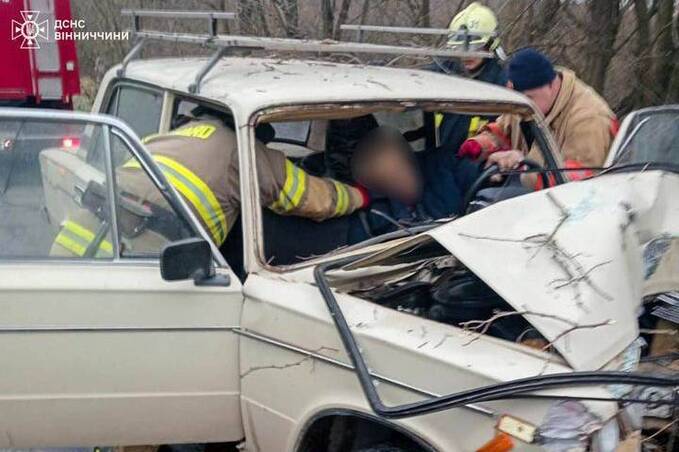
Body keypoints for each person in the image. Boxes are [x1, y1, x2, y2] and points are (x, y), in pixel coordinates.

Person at [51, 111, 369, 257]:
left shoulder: (167, 136)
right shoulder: (242, 152)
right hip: (145, 262)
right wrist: (360, 196)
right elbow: (315, 199)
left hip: (71, 247)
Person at [459, 48, 619, 187]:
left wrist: (523, 168)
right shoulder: (526, 105)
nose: (522, 109)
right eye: (519, 99)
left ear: (552, 85)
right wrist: (480, 145)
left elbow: (580, 178)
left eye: (530, 98)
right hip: (534, 195)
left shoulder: (589, 118)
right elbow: (502, 129)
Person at [427, 2, 507, 150]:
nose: (467, 54)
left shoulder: (502, 86)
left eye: (475, 47)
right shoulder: (440, 74)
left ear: (491, 44)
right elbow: (416, 80)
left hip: (478, 165)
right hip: (440, 160)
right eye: (460, 47)